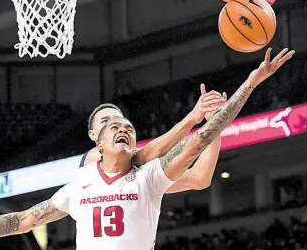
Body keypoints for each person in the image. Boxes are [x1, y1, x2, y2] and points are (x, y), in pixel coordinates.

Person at [0, 48, 294, 250]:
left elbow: (199, 142)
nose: (124, 128)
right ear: (96, 141)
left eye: (128, 127)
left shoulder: (148, 175)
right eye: (113, 125)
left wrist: (251, 81)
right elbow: (21, 221)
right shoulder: (82, 178)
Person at [81, 83, 227, 193]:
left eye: (119, 121)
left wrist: (215, 123)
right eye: (105, 121)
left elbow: (199, 178)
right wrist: (192, 118)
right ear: (92, 135)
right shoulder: (92, 160)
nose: (115, 126)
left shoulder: (144, 173)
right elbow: (143, 156)